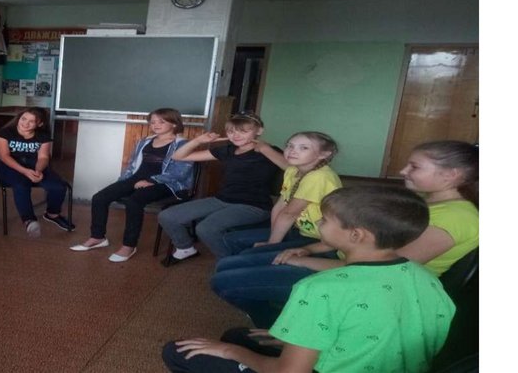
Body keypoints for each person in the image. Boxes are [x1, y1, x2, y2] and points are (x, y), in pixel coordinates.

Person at [162, 185, 455, 373]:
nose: (317, 223)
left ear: (356, 235)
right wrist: (293, 341)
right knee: (240, 335)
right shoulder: (426, 278)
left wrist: (230, 352)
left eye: (325, 220)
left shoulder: (320, 287)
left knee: (180, 352)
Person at [211, 140, 479, 328]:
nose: (402, 171)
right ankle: (291, 313)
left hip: (371, 286)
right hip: (349, 260)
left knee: (225, 281)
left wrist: (304, 261)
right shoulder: (425, 202)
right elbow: (366, 239)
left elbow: (380, 270)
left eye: (415, 167)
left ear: (451, 175)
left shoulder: (456, 218)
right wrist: (309, 248)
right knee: (227, 265)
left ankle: (285, 331)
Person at [155, 112, 284, 265]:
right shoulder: (227, 150)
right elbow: (178, 157)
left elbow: (292, 168)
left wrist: (265, 149)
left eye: (243, 131)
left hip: (254, 205)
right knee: (167, 216)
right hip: (222, 199)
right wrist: (198, 140)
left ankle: (232, 262)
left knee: (206, 228)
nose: (236, 135)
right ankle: (185, 248)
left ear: (259, 130)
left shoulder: (269, 150)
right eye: (231, 131)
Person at [69, 108, 193, 262]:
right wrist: (122, 182)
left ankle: (129, 246)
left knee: (134, 201)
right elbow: (133, 166)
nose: (156, 125)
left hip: (167, 184)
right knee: (100, 197)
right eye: (153, 122)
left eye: (161, 122)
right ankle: (98, 237)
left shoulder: (182, 144)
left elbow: (180, 172)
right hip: (137, 179)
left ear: (174, 124)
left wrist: (152, 181)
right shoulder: (145, 141)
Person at [219, 131, 341, 257]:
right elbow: (280, 206)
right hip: (300, 230)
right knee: (232, 239)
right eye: (290, 146)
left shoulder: (319, 177)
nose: (292, 151)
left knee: (253, 254)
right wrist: (273, 236)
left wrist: (271, 244)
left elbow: (289, 214)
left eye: (304, 148)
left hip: (322, 239)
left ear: (323, 154)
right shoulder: (292, 171)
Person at [0, 107, 75, 237]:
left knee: (58, 186)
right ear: (19, 118)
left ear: (39, 124)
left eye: (31, 121)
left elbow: (43, 157)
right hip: (10, 167)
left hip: (34, 164)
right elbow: (4, 157)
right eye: (23, 119)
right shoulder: (3, 133)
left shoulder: (43, 136)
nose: (25, 123)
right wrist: (25, 172)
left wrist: (38, 170)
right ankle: (29, 220)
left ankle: (52, 214)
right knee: (21, 185)